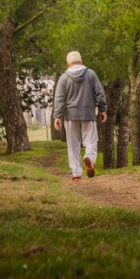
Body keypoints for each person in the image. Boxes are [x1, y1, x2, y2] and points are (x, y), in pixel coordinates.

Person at [52, 50, 108, 181]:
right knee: (91, 141)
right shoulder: (91, 74)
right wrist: (103, 109)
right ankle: (89, 157)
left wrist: (57, 116)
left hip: (70, 116)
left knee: (73, 145)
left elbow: (59, 98)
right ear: (81, 61)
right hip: (88, 114)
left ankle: (76, 174)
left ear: (68, 63)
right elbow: (99, 92)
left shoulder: (64, 77)